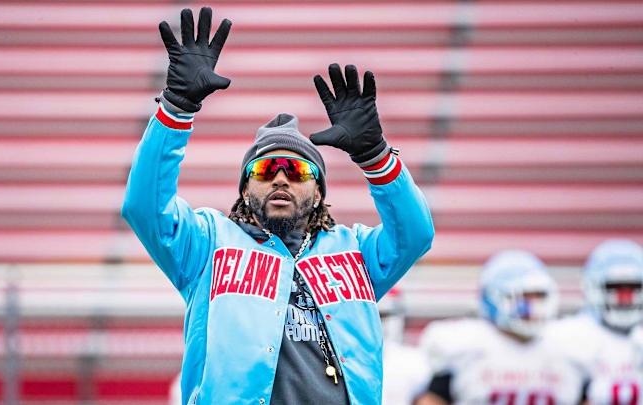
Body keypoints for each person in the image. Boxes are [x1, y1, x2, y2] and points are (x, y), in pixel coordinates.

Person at [121, 7, 434, 405]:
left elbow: (417, 234)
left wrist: (376, 157)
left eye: (298, 170)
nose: (281, 178)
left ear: (318, 192)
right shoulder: (207, 246)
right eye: (266, 169)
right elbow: (144, 207)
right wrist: (176, 107)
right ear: (245, 188)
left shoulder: (356, 253)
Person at [417, 250, 586, 405]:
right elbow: (432, 400)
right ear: (493, 298)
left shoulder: (570, 345)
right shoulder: (466, 344)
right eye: (524, 297)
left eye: (538, 296)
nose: (532, 307)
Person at [545, 239, 643, 405]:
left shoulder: (638, 338)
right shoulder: (568, 337)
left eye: (634, 288)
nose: (626, 299)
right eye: (615, 288)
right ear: (592, 287)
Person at [378, 287, 431, 405]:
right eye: (377, 315)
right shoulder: (349, 357)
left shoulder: (415, 360)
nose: (380, 323)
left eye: (385, 316)